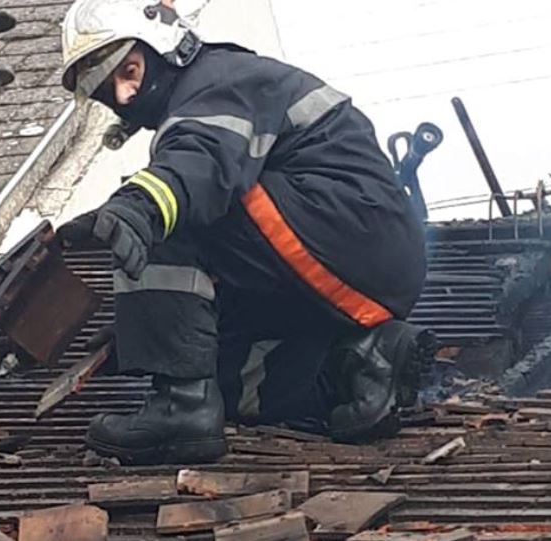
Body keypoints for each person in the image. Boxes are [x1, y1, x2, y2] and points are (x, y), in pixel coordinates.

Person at [57, 0, 435, 465]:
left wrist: (139, 207)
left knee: (167, 207)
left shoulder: (217, 82)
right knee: (219, 371)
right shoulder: (209, 94)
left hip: (350, 235)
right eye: (107, 92)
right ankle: (358, 367)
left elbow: (199, 164)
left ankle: (181, 408)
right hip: (348, 252)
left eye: (129, 71)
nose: (125, 94)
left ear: (162, 45)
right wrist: (150, 326)